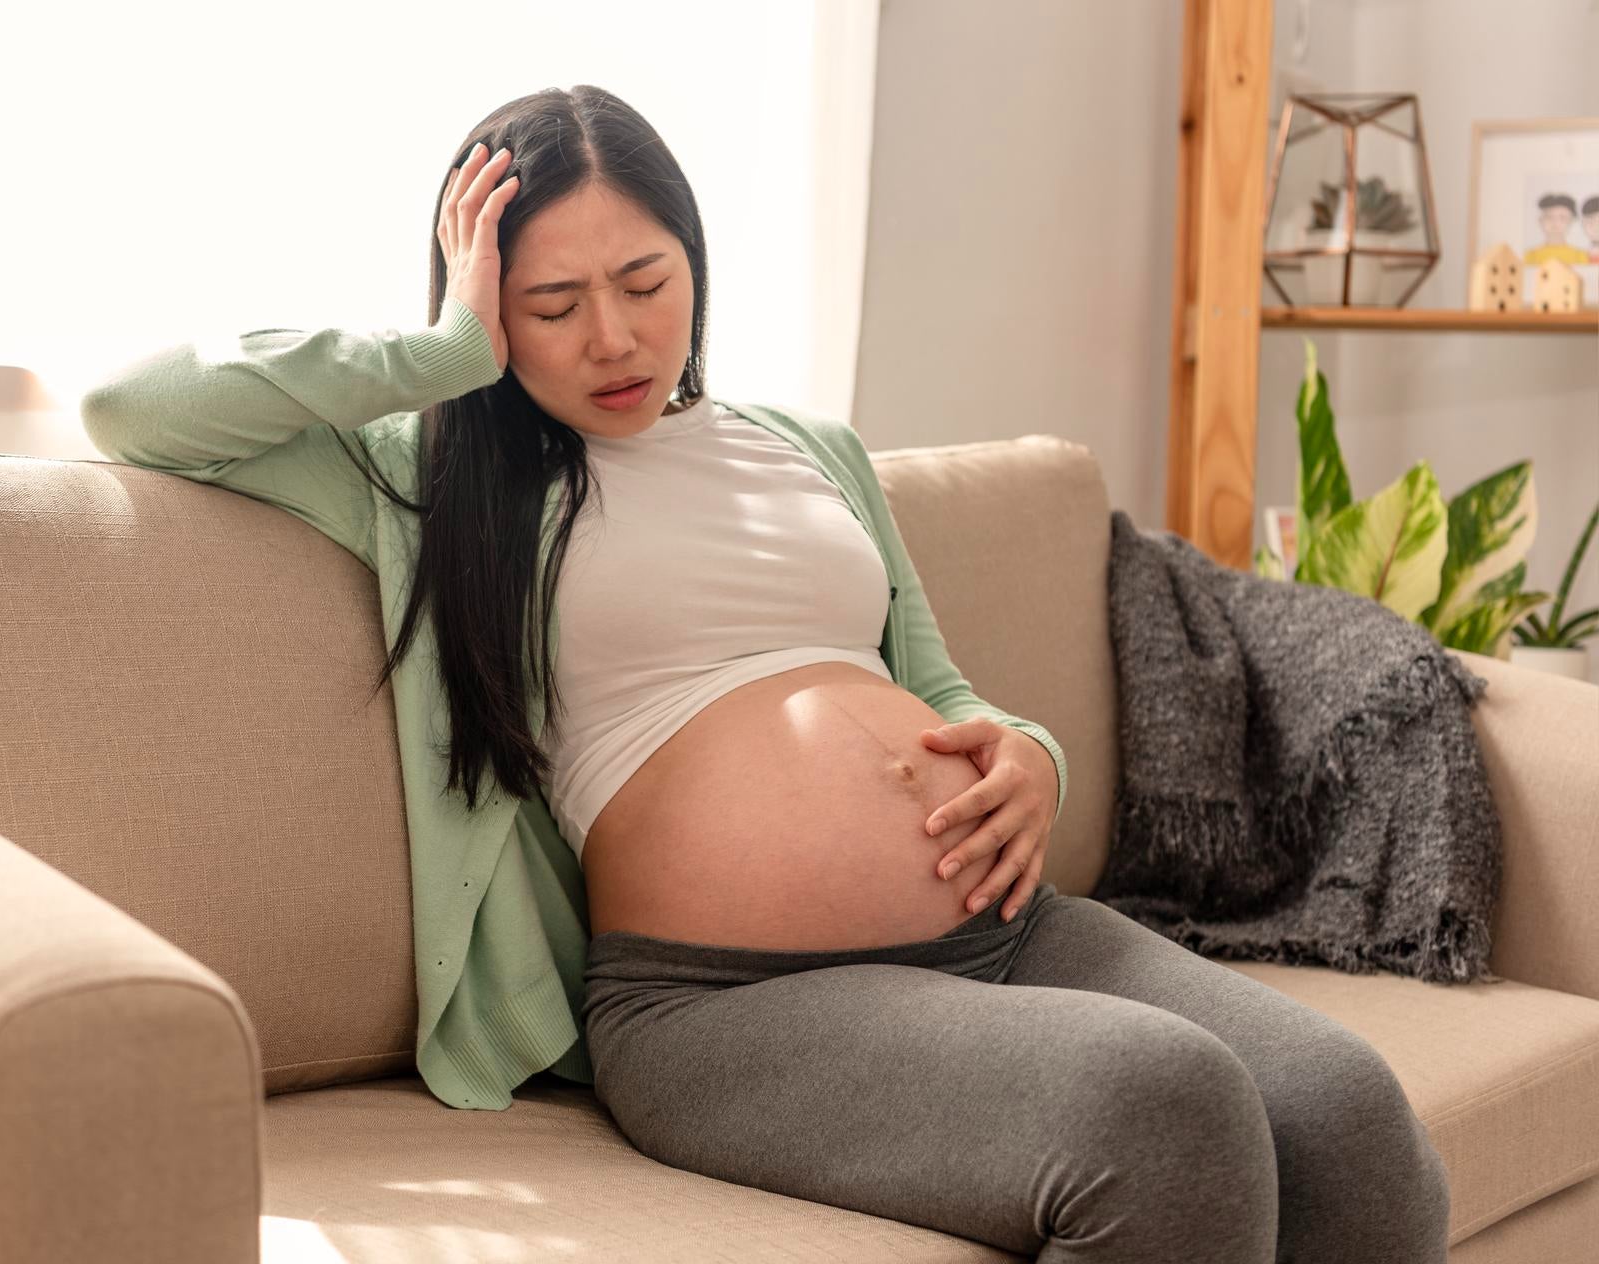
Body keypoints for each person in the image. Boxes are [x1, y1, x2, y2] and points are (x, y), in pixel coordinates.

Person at [82, 84, 1449, 1263]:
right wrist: (437, 358)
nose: (612, 339)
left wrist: (1030, 754)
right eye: (552, 304)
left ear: (697, 263)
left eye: (646, 282)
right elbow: (136, 412)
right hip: (721, 1002)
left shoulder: (806, 448)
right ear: (490, 303)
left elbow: (945, 688)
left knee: (1347, 1115)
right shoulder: (434, 482)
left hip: (1004, 929)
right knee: (1160, 1109)